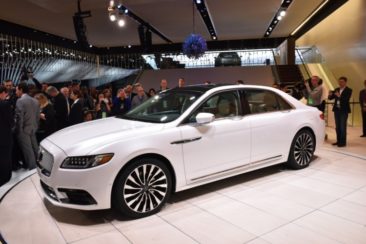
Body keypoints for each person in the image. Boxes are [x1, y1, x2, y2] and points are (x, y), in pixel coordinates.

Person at [15, 82, 39, 170]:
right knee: (35, 148)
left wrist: (18, 130)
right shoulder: (35, 100)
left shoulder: (20, 101)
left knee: (28, 150)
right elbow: (37, 116)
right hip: (33, 128)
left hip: (23, 129)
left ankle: (32, 168)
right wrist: (36, 127)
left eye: (16, 90)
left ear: (21, 90)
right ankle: (40, 164)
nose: (16, 92)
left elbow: (19, 117)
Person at [328, 76, 352, 147]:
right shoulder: (336, 89)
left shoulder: (349, 90)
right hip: (337, 110)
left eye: (342, 82)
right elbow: (330, 98)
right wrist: (330, 94)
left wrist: (339, 96)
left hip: (344, 111)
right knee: (337, 127)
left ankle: (342, 142)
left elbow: (346, 100)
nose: (340, 83)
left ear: (345, 82)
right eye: (339, 81)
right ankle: (338, 141)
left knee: (342, 127)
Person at [0, 86, 14, 186]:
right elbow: (11, 122)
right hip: (4, 135)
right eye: (6, 94)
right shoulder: (4, 104)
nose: (6, 96)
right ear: (3, 93)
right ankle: (5, 177)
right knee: (5, 156)